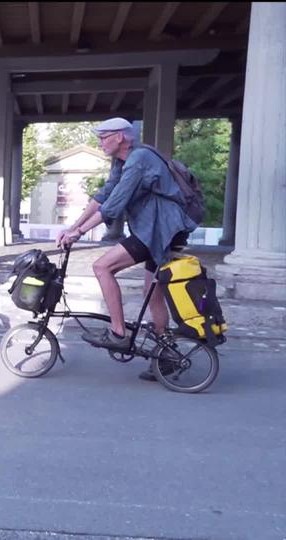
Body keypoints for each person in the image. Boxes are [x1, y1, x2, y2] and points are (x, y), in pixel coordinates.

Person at [56, 117, 197, 381]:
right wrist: (72, 226)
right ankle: (167, 357)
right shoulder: (122, 162)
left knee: (102, 267)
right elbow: (104, 196)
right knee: (151, 293)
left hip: (160, 229)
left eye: (103, 137)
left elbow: (114, 206)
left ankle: (119, 333)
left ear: (120, 137)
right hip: (159, 230)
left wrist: (80, 233)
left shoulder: (139, 159)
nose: (100, 142)